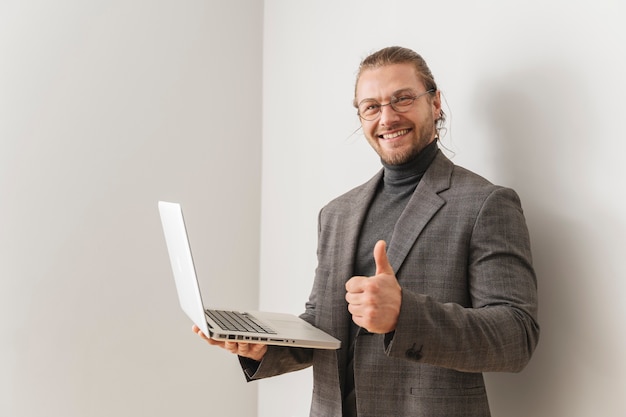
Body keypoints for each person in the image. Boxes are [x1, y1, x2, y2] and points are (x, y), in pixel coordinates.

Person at [193, 46, 540, 417]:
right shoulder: (337, 213)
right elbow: (323, 324)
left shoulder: (486, 203)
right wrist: (264, 346)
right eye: (371, 106)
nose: (387, 117)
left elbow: (516, 336)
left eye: (402, 99)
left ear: (436, 103)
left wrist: (404, 314)